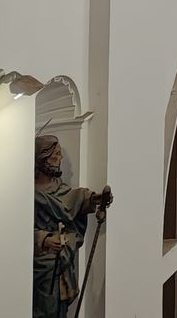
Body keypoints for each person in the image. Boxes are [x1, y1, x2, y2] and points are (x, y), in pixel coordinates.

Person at [34, 135, 111, 318]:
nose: (60, 159)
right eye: (56, 155)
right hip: (40, 269)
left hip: (62, 266)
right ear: (42, 160)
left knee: (60, 311)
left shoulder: (61, 190)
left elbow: (75, 199)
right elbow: (15, 233)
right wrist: (44, 239)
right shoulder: (29, 195)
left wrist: (96, 199)